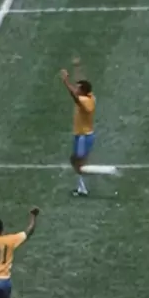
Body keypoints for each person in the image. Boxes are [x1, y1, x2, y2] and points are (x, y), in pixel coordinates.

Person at [60, 57, 96, 197]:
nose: (76, 89)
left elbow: (74, 96)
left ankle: (82, 187)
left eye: (78, 89)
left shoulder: (85, 101)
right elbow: (82, 82)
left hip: (83, 136)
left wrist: (65, 81)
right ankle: (82, 185)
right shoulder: (89, 95)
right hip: (81, 135)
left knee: (79, 162)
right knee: (75, 160)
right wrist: (77, 68)